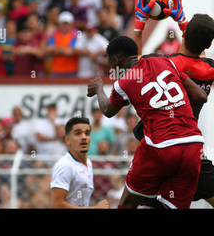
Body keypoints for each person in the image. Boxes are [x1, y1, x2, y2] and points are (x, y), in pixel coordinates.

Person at [132, 0, 214, 209]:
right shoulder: (211, 68)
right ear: (209, 45)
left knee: (147, 204)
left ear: (182, 36)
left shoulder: (163, 64)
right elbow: (197, 54)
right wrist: (182, 20)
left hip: (159, 145)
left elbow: (135, 65)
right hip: (192, 150)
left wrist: (140, 23)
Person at [87, 36, 207, 209]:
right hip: (193, 145)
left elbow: (107, 110)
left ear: (115, 60)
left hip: (160, 146)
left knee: (128, 203)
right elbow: (200, 96)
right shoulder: (163, 61)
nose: (111, 67)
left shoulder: (124, 83)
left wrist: (99, 87)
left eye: (110, 63)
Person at [50, 117, 109, 209]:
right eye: (78, 133)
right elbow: (57, 205)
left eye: (87, 133)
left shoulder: (88, 163)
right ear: (68, 140)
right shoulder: (65, 166)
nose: (84, 137)